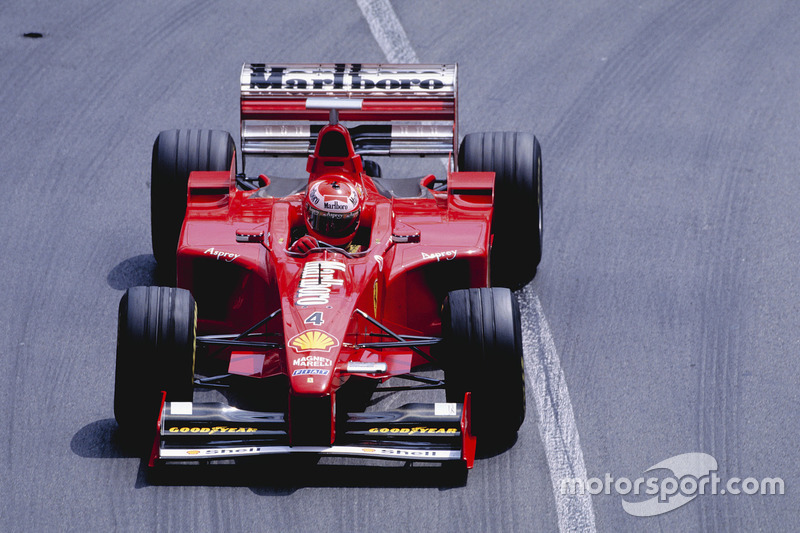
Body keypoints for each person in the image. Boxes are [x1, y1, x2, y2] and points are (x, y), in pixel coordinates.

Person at [290, 176, 363, 254]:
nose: (333, 230)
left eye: (339, 223)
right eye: (323, 222)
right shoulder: (297, 233)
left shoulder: (364, 241)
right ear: (308, 214)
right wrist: (293, 249)